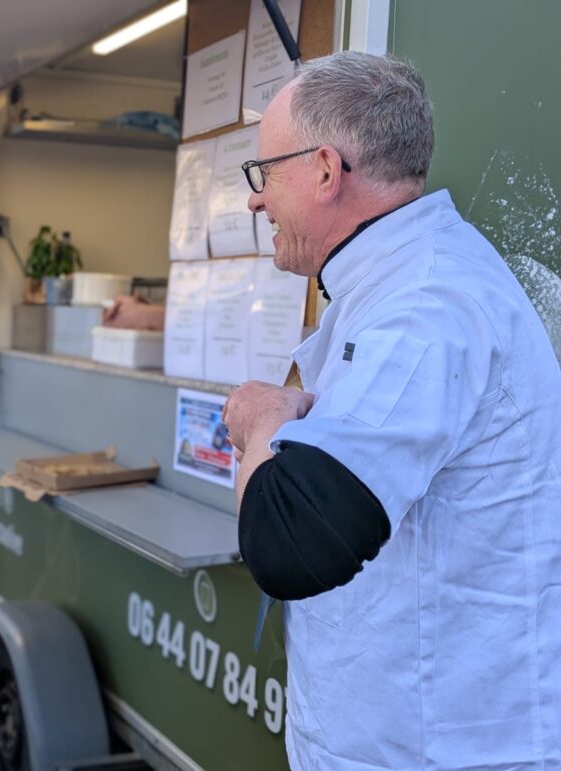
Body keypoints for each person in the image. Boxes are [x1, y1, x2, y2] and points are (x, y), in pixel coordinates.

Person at [222, 52, 561, 768]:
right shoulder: (399, 283)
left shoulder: (423, 307)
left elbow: (288, 540)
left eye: (264, 173)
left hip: (438, 748)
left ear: (324, 170)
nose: (256, 200)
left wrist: (263, 421)